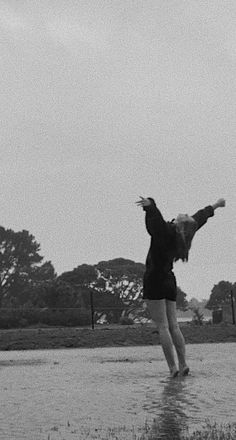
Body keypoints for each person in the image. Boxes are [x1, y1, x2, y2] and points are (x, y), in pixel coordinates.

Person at [136, 196, 226, 377]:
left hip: (154, 279)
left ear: (180, 224)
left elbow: (156, 224)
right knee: (174, 325)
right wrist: (216, 205)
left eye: (184, 216)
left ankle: (173, 368)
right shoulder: (183, 236)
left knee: (162, 327)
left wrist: (151, 206)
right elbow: (199, 218)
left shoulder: (168, 231)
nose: (184, 213)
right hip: (169, 281)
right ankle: (183, 363)